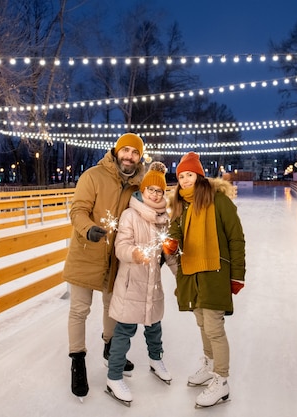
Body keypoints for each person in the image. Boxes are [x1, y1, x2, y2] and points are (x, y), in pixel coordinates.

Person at [63, 133, 145, 399]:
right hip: (88, 250)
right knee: (79, 309)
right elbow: (77, 210)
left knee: (114, 305)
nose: (129, 156)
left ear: (139, 157)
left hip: (116, 257)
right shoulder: (93, 176)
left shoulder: (138, 186)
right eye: (126, 151)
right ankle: (78, 360)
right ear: (116, 152)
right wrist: (89, 230)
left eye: (134, 152)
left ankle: (111, 349)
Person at [166, 151, 245, 408]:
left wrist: (237, 276)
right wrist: (171, 241)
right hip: (191, 272)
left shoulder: (219, 201)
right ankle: (210, 364)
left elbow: (236, 238)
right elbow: (175, 230)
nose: (185, 180)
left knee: (213, 327)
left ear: (199, 176)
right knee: (201, 322)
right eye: (181, 176)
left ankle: (221, 381)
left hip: (215, 272)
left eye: (189, 175)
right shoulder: (181, 204)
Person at [106, 162, 176, 405]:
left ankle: (156, 359)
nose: (156, 194)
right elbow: (120, 247)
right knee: (124, 331)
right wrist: (134, 253)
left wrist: (182, 276)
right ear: (143, 190)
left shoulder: (164, 218)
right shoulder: (130, 215)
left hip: (152, 284)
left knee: (154, 326)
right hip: (130, 283)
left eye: (160, 191)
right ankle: (114, 376)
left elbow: (169, 253)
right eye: (151, 190)